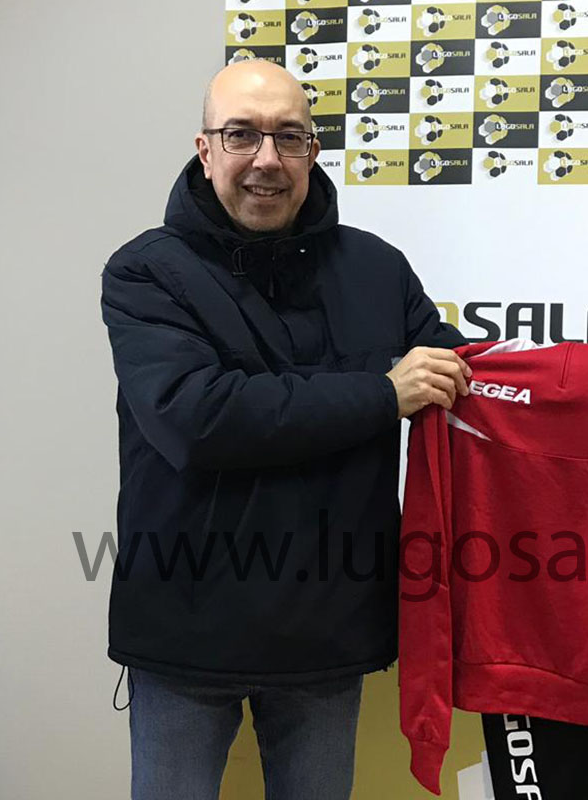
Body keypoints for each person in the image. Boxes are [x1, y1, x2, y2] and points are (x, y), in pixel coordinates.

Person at [100, 59, 472, 800]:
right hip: (185, 632)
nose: (266, 159)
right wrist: (380, 394)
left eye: (289, 137)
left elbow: (465, 376)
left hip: (328, 635)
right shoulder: (146, 272)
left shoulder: (377, 268)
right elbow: (197, 418)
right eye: (242, 135)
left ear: (312, 151)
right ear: (206, 149)